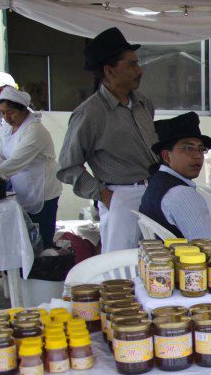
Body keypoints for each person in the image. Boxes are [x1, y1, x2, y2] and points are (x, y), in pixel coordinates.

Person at [57, 27, 159, 253]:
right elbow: (67, 167)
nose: (139, 70)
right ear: (109, 71)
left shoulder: (143, 103)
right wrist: (104, 194)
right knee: (119, 265)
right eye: (131, 64)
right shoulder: (91, 112)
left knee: (155, 263)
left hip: (154, 191)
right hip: (120, 195)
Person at [0, 86, 63, 248]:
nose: (6, 117)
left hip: (43, 191)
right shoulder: (7, 127)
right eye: (2, 112)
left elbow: (17, 160)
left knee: (41, 241)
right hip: (22, 189)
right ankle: (25, 272)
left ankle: (43, 271)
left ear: (23, 110)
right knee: (24, 241)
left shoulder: (35, 130)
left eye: (10, 112)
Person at [138, 112, 211, 240]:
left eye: (201, 149)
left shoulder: (157, 181)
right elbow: (207, 244)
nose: (197, 155)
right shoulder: (181, 193)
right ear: (166, 156)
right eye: (188, 148)